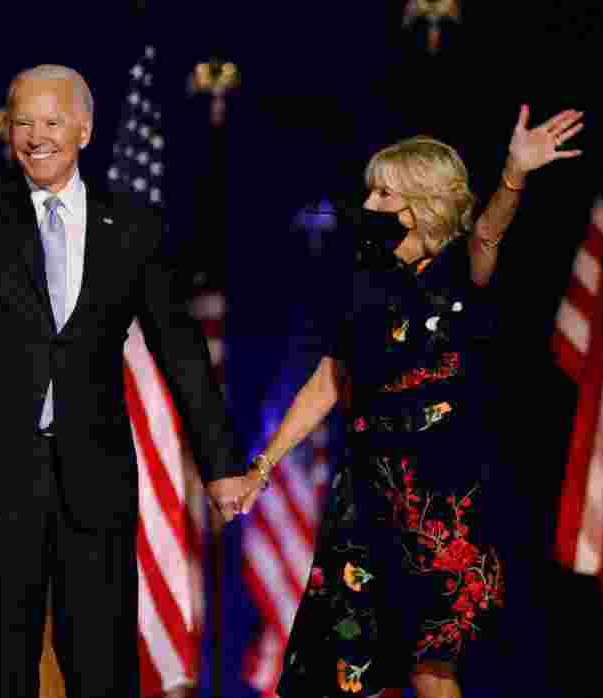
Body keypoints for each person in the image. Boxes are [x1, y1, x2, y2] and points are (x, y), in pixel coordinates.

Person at [0, 64, 249, 698]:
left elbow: (181, 349)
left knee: (101, 666)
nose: (36, 137)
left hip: (94, 477)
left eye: (52, 121)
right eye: (22, 123)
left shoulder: (133, 224)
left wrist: (220, 466)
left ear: (84, 130)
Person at [235, 106, 584, 698]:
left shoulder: (459, 271)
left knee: (432, 666)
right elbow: (328, 382)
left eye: (383, 194)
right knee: (346, 669)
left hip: (443, 495)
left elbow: (488, 233)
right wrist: (263, 467)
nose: (368, 205)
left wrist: (513, 175)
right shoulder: (361, 283)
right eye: (369, 192)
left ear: (422, 204)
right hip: (365, 495)